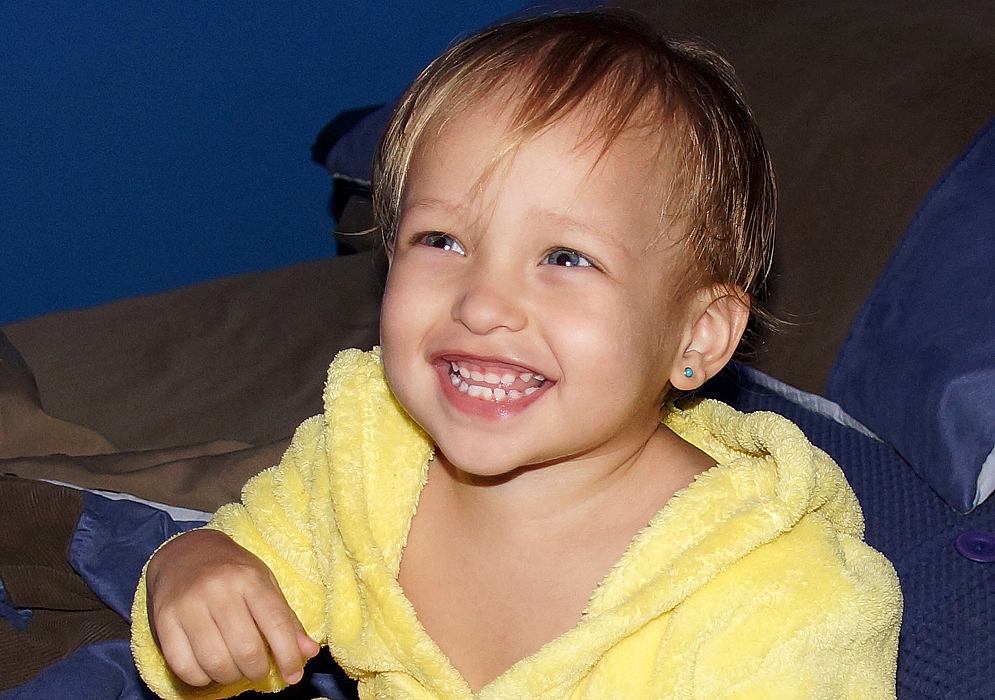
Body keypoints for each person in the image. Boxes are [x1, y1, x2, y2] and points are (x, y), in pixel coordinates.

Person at [131, 10, 902, 699]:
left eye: (565, 257)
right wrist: (191, 570)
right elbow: (239, 598)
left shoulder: (773, 598)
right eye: (442, 240)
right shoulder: (367, 460)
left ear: (695, 336)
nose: (481, 303)